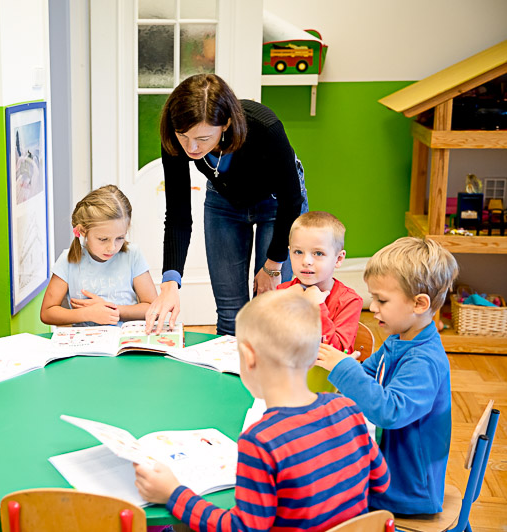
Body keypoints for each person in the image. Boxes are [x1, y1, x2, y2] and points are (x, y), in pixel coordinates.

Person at [134, 288, 390, 532]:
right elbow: (381, 482)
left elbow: (242, 528)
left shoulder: (260, 442)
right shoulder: (349, 410)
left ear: (248, 356)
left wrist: (173, 494)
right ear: (315, 355)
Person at [145, 73, 307, 336]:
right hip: (224, 201)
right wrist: (169, 284)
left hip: (278, 204)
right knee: (231, 314)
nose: (191, 147)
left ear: (226, 123)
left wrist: (273, 265)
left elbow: (292, 200)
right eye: (184, 136)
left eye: (203, 138)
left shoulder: (265, 127)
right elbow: (178, 214)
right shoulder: (178, 138)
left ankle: (266, 377)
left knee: (270, 311)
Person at [316, 237, 458, 515]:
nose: (373, 307)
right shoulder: (400, 337)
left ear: (419, 304)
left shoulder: (424, 359)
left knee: (312, 494)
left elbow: (390, 411)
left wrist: (343, 368)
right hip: (389, 469)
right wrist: (340, 370)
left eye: (382, 300)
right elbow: (367, 375)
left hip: (406, 490)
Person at [40, 185, 157, 326]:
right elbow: (47, 313)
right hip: (84, 344)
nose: (112, 247)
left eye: (120, 238)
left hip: (125, 342)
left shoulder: (133, 256)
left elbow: (153, 308)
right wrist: (87, 314)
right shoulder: (68, 261)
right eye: (103, 239)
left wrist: (113, 310)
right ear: (83, 231)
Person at [277, 211, 363, 352]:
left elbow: (338, 353)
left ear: (338, 259)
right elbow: (265, 342)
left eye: (318, 253)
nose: (306, 261)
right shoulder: (282, 291)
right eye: (298, 252)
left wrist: (316, 307)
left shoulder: (350, 302)